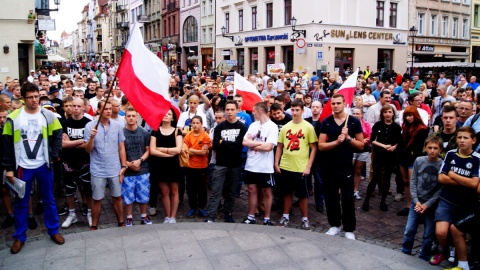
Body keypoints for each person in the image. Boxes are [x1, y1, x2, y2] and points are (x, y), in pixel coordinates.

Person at [3, 82, 64, 254]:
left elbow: (58, 135)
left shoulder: (48, 115)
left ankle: (54, 231)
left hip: (44, 165)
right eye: (30, 97)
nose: (34, 100)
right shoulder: (13, 118)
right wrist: (9, 168)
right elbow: (6, 145)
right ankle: (19, 236)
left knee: (49, 199)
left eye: (36, 96)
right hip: (22, 166)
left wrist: (53, 156)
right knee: (21, 202)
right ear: (23, 99)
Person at [430, 126, 480, 267]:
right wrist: (464, 180)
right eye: (459, 137)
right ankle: (444, 251)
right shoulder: (451, 154)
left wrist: (452, 174)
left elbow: (474, 183)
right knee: (441, 232)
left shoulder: (477, 159)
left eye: (465, 138)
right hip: (447, 200)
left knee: (459, 231)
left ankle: (459, 257)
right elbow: (441, 178)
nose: (462, 141)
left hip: (466, 203)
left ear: (473, 140)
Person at [318, 94, 364, 240]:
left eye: (338, 103)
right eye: (333, 103)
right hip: (329, 165)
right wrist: (336, 143)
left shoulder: (354, 122)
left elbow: (361, 145)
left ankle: (349, 228)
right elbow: (321, 146)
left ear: (344, 103)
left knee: (348, 197)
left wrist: (349, 138)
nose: (335, 106)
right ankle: (334, 225)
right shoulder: (326, 122)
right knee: (331, 196)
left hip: (346, 166)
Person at [84, 100, 127, 230]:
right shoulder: (89, 126)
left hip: (114, 167)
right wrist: (91, 137)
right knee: (97, 198)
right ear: (98, 110)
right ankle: (94, 224)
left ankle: (121, 221)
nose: (108, 111)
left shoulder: (117, 126)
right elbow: (88, 149)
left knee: (117, 196)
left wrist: (123, 166)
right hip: (97, 168)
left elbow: (121, 147)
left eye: (110, 108)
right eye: (105, 109)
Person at [275, 99, 318, 229]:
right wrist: (276, 163)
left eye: (297, 110)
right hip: (286, 165)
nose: (294, 113)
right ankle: (285, 216)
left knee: (302, 195)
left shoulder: (308, 127)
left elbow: (314, 148)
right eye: (292, 110)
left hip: (301, 166)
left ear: (302, 111)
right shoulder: (286, 127)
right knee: (287, 193)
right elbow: (280, 146)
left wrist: (309, 166)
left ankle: (305, 219)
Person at [401, 136, 443, 261]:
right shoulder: (419, 161)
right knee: (409, 229)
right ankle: (405, 250)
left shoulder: (442, 164)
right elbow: (413, 181)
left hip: (431, 205)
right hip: (417, 202)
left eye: (435, 148)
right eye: (429, 148)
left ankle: (424, 254)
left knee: (429, 232)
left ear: (440, 150)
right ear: (425, 148)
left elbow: (441, 189)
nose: (432, 151)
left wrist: (427, 204)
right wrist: (416, 201)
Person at [205, 100, 247, 223]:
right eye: (227, 109)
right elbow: (216, 146)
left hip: (235, 164)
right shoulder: (219, 127)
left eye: (232, 109)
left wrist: (224, 143)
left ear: (237, 110)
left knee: (231, 192)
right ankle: (211, 216)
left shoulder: (242, 127)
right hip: (220, 164)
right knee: (216, 191)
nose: (229, 112)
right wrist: (228, 145)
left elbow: (239, 146)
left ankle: (228, 214)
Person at [241, 102, 278, 226]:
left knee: (266, 191)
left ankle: (267, 218)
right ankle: (251, 216)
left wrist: (253, 144)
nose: (252, 113)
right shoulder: (253, 125)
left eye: (253, 110)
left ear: (259, 111)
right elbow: (244, 142)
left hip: (265, 166)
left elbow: (269, 147)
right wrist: (259, 145)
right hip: (251, 164)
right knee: (252, 190)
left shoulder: (272, 126)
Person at [60, 98, 93, 228]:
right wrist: (81, 141)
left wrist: (72, 142)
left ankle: (90, 212)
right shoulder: (64, 123)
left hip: (86, 162)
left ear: (84, 107)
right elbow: (62, 144)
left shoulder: (89, 123)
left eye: (79, 106)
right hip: (69, 161)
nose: (76, 108)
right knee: (69, 190)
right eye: (73, 106)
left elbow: (89, 145)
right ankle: (72, 214)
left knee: (87, 190)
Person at [362, 105, 402, 212]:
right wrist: (383, 146)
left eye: (389, 112)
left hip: (390, 155)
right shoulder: (378, 125)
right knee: (375, 176)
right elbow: (372, 140)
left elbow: (399, 141)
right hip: (379, 154)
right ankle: (366, 200)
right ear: (382, 114)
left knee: (387, 178)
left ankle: (383, 201)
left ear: (393, 113)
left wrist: (394, 147)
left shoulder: (396, 127)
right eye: (385, 112)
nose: (388, 114)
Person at [149, 108, 183, 223]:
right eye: (164, 113)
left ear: (172, 118)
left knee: (174, 191)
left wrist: (162, 149)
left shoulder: (177, 131)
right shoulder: (155, 131)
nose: (166, 115)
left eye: (169, 114)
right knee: (164, 192)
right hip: (160, 165)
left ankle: (173, 216)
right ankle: (167, 216)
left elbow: (178, 149)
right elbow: (152, 151)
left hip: (174, 165)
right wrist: (168, 154)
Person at [397, 106, 429, 216]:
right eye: (406, 116)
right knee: (405, 181)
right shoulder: (405, 128)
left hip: (414, 159)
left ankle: (417, 205)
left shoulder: (421, 129)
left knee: (413, 182)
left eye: (410, 115)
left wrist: (409, 152)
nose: (408, 118)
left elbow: (419, 147)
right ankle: (408, 204)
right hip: (403, 157)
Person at [122, 107, 152, 226]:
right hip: (127, 170)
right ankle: (129, 217)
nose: (131, 118)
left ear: (137, 117)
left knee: (143, 194)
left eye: (133, 116)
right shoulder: (121, 132)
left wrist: (140, 161)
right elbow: (119, 150)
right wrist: (127, 164)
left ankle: (143, 215)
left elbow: (148, 150)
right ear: (125, 117)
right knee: (128, 195)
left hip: (142, 169)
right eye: (128, 116)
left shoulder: (144, 132)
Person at [184, 116, 211, 218]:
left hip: (202, 166)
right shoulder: (188, 136)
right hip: (190, 166)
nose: (195, 125)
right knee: (190, 188)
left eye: (197, 123)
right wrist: (194, 151)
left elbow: (204, 152)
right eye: (193, 123)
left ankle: (202, 207)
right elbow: (185, 150)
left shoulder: (205, 136)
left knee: (202, 189)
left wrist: (192, 150)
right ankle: (193, 207)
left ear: (201, 124)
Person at [351, 108, 371, 200]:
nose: (356, 115)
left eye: (358, 113)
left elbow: (370, 136)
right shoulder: (349, 123)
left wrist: (361, 141)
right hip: (352, 149)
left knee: (358, 171)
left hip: (363, 149)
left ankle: (355, 190)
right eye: (354, 113)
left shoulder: (366, 124)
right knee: (349, 170)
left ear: (362, 114)